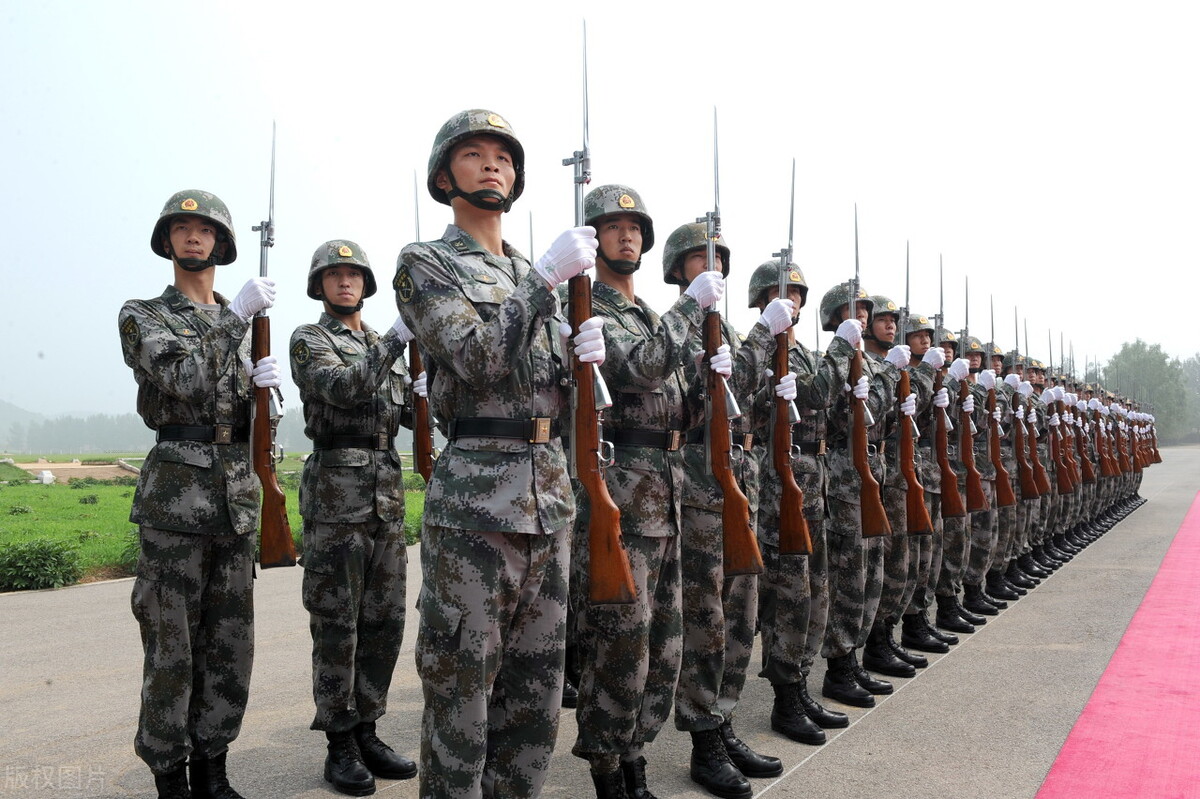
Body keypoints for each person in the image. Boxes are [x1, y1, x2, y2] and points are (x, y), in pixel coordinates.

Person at [393, 109, 602, 799]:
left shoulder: (537, 274)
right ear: (443, 175)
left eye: (504, 157)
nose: (492, 165)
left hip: (550, 504)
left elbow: (558, 398)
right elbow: (480, 359)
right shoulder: (427, 264)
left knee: (534, 707)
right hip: (476, 510)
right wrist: (545, 280)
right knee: (462, 703)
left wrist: (589, 359)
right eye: (474, 154)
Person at [119, 189, 278, 799]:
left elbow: (248, 417)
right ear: (168, 241)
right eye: (181, 228)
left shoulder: (247, 324)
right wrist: (234, 318)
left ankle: (214, 765)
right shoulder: (143, 314)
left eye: (204, 229)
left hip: (235, 499)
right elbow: (183, 377)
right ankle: (169, 775)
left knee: (229, 643)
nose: (193, 237)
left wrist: (267, 393)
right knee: (171, 646)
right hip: (175, 500)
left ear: (221, 243)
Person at [568, 196, 719, 799]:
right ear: (594, 238)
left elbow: (679, 401)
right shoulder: (584, 308)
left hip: (669, 489)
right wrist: (690, 310)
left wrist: (716, 374)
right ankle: (609, 774)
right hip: (622, 492)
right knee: (618, 644)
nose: (625, 238)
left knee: (663, 644)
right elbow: (645, 370)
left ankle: (637, 760)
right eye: (612, 228)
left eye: (634, 229)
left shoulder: (651, 312)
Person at [290, 240, 418, 795]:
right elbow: (346, 388)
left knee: (385, 623)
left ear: (366, 285)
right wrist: (395, 342)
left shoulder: (383, 345)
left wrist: (424, 388)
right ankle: (338, 740)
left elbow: (405, 415)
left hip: (386, 498)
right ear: (319, 286)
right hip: (336, 501)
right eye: (333, 276)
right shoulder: (310, 339)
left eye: (354, 275)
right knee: (337, 624)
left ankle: (369, 726)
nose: (345, 283)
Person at [667, 226, 781, 798]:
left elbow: (747, 388)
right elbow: (680, 396)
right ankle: (703, 739)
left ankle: (725, 718)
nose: (709, 270)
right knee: (706, 618)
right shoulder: (673, 326)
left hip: (738, 481)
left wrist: (760, 342)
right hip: (697, 484)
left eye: (716, 262)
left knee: (741, 613)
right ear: (679, 269)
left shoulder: (725, 331)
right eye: (697, 260)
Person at [747, 261, 856, 744]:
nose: (789, 300)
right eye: (779, 292)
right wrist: (841, 348)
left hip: (815, 479)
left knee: (815, 591)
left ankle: (802, 685)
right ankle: (785, 699)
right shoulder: (751, 347)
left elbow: (822, 397)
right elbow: (813, 393)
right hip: (778, 483)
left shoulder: (803, 353)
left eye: (796, 293)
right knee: (788, 595)